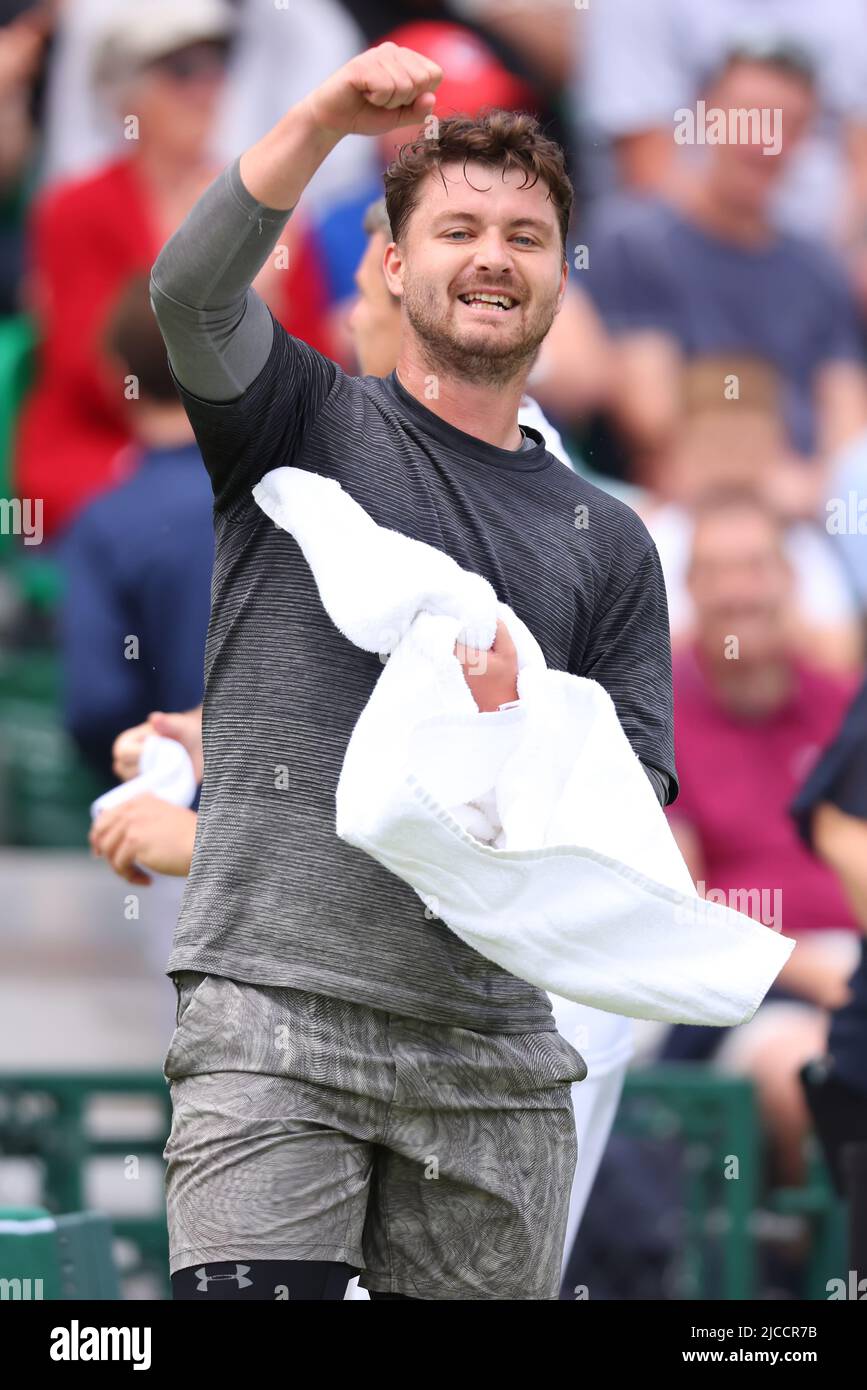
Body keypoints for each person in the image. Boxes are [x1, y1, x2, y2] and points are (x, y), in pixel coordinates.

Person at [149, 41, 677, 1302]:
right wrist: (328, 117)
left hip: (495, 1057)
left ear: (560, 280)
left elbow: (632, 791)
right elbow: (189, 293)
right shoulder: (299, 419)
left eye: (527, 236)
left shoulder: (613, 538)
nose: (493, 255)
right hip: (272, 1017)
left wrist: (517, 733)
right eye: (457, 229)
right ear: (392, 264)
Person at [665, 490, 861, 1186]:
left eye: (753, 565)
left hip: (852, 968)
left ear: (789, 578)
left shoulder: (843, 702)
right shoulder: (657, 715)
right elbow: (679, 905)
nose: (737, 590)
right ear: (689, 589)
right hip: (742, 992)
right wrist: (811, 969)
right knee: (810, 1072)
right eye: (715, 570)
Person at [582, 46, 867, 487]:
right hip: (684, 511)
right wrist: (775, 483)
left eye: (789, 125)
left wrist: (817, 490)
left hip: (813, 510)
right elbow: (651, 420)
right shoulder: (635, 241)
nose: (766, 142)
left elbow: (849, 432)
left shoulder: (820, 267)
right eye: (750, 117)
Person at [59, 275, 214, 782]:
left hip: (171, 822)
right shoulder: (288, 490)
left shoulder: (107, 525)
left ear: (118, 377)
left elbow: (96, 704)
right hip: (303, 817)